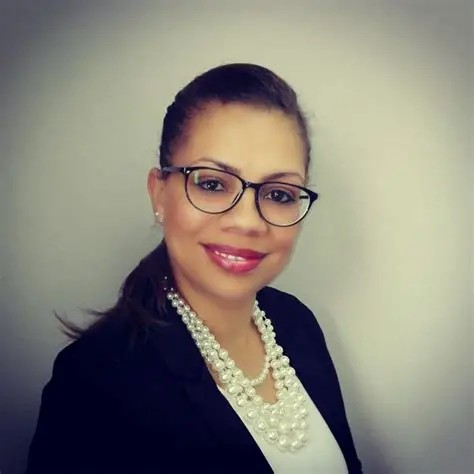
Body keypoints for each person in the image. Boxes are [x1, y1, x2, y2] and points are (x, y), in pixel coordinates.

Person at [25, 63, 363, 474]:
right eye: (212, 184)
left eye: (279, 194)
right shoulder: (93, 383)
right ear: (159, 194)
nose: (248, 222)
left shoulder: (297, 323)